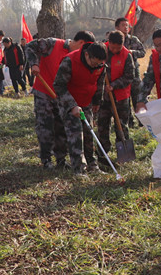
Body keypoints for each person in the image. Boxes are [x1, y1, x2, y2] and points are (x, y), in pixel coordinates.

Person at [26, 30, 94, 170]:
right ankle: (46, 160)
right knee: (45, 126)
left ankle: (61, 160)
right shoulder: (52, 44)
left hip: (61, 95)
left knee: (61, 127)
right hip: (43, 92)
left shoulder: (77, 57)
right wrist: (34, 63)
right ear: (81, 43)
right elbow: (30, 46)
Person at [53, 42, 108, 174]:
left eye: (99, 64)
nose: (96, 66)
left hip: (86, 102)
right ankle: (79, 169)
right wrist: (72, 105)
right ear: (87, 54)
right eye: (94, 63)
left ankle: (92, 165)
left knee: (89, 132)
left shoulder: (100, 65)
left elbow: (100, 82)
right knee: (76, 134)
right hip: (69, 102)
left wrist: (96, 102)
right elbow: (59, 85)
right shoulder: (70, 61)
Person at [96, 30, 134, 158]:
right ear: (109, 43)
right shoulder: (101, 50)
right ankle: (103, 153)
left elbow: (129, 76)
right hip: (102, 97)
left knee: (121, 125)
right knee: (102, 124)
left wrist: (114, 85)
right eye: (112, 47)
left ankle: (124, 155)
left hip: (120, 98)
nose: (115, 50)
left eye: (118, 48)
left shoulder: (127, 55)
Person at [115, 17, 145, 127]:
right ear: (117, 27)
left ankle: (142, 122)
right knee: (124, 99)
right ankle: (129, 122)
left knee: (137, 97)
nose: (126, 27)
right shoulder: (114, 40)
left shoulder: (133, 40)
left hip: (134, 73)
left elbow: (143, 52)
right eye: (123, 25)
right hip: (120, 74)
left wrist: (132, 52)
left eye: (127, 25)